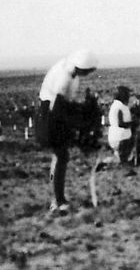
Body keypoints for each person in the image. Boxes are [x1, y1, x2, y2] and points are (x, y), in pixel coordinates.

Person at [37, 50, 98, 214]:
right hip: (52, 117)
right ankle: (58, 200)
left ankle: (57, 198)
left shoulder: (67, 71)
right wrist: (76, 122)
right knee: (61, 156)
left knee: (60, 157)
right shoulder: (64, 76)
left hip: (53, 113)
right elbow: (58, 107)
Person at [107, 86, 136, 163]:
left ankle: (122, 157)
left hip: (116, 137)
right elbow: (121, 123)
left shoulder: (116, 105)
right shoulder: (119, 107)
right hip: (121, 138)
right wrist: (133, 123)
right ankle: (124, 158)